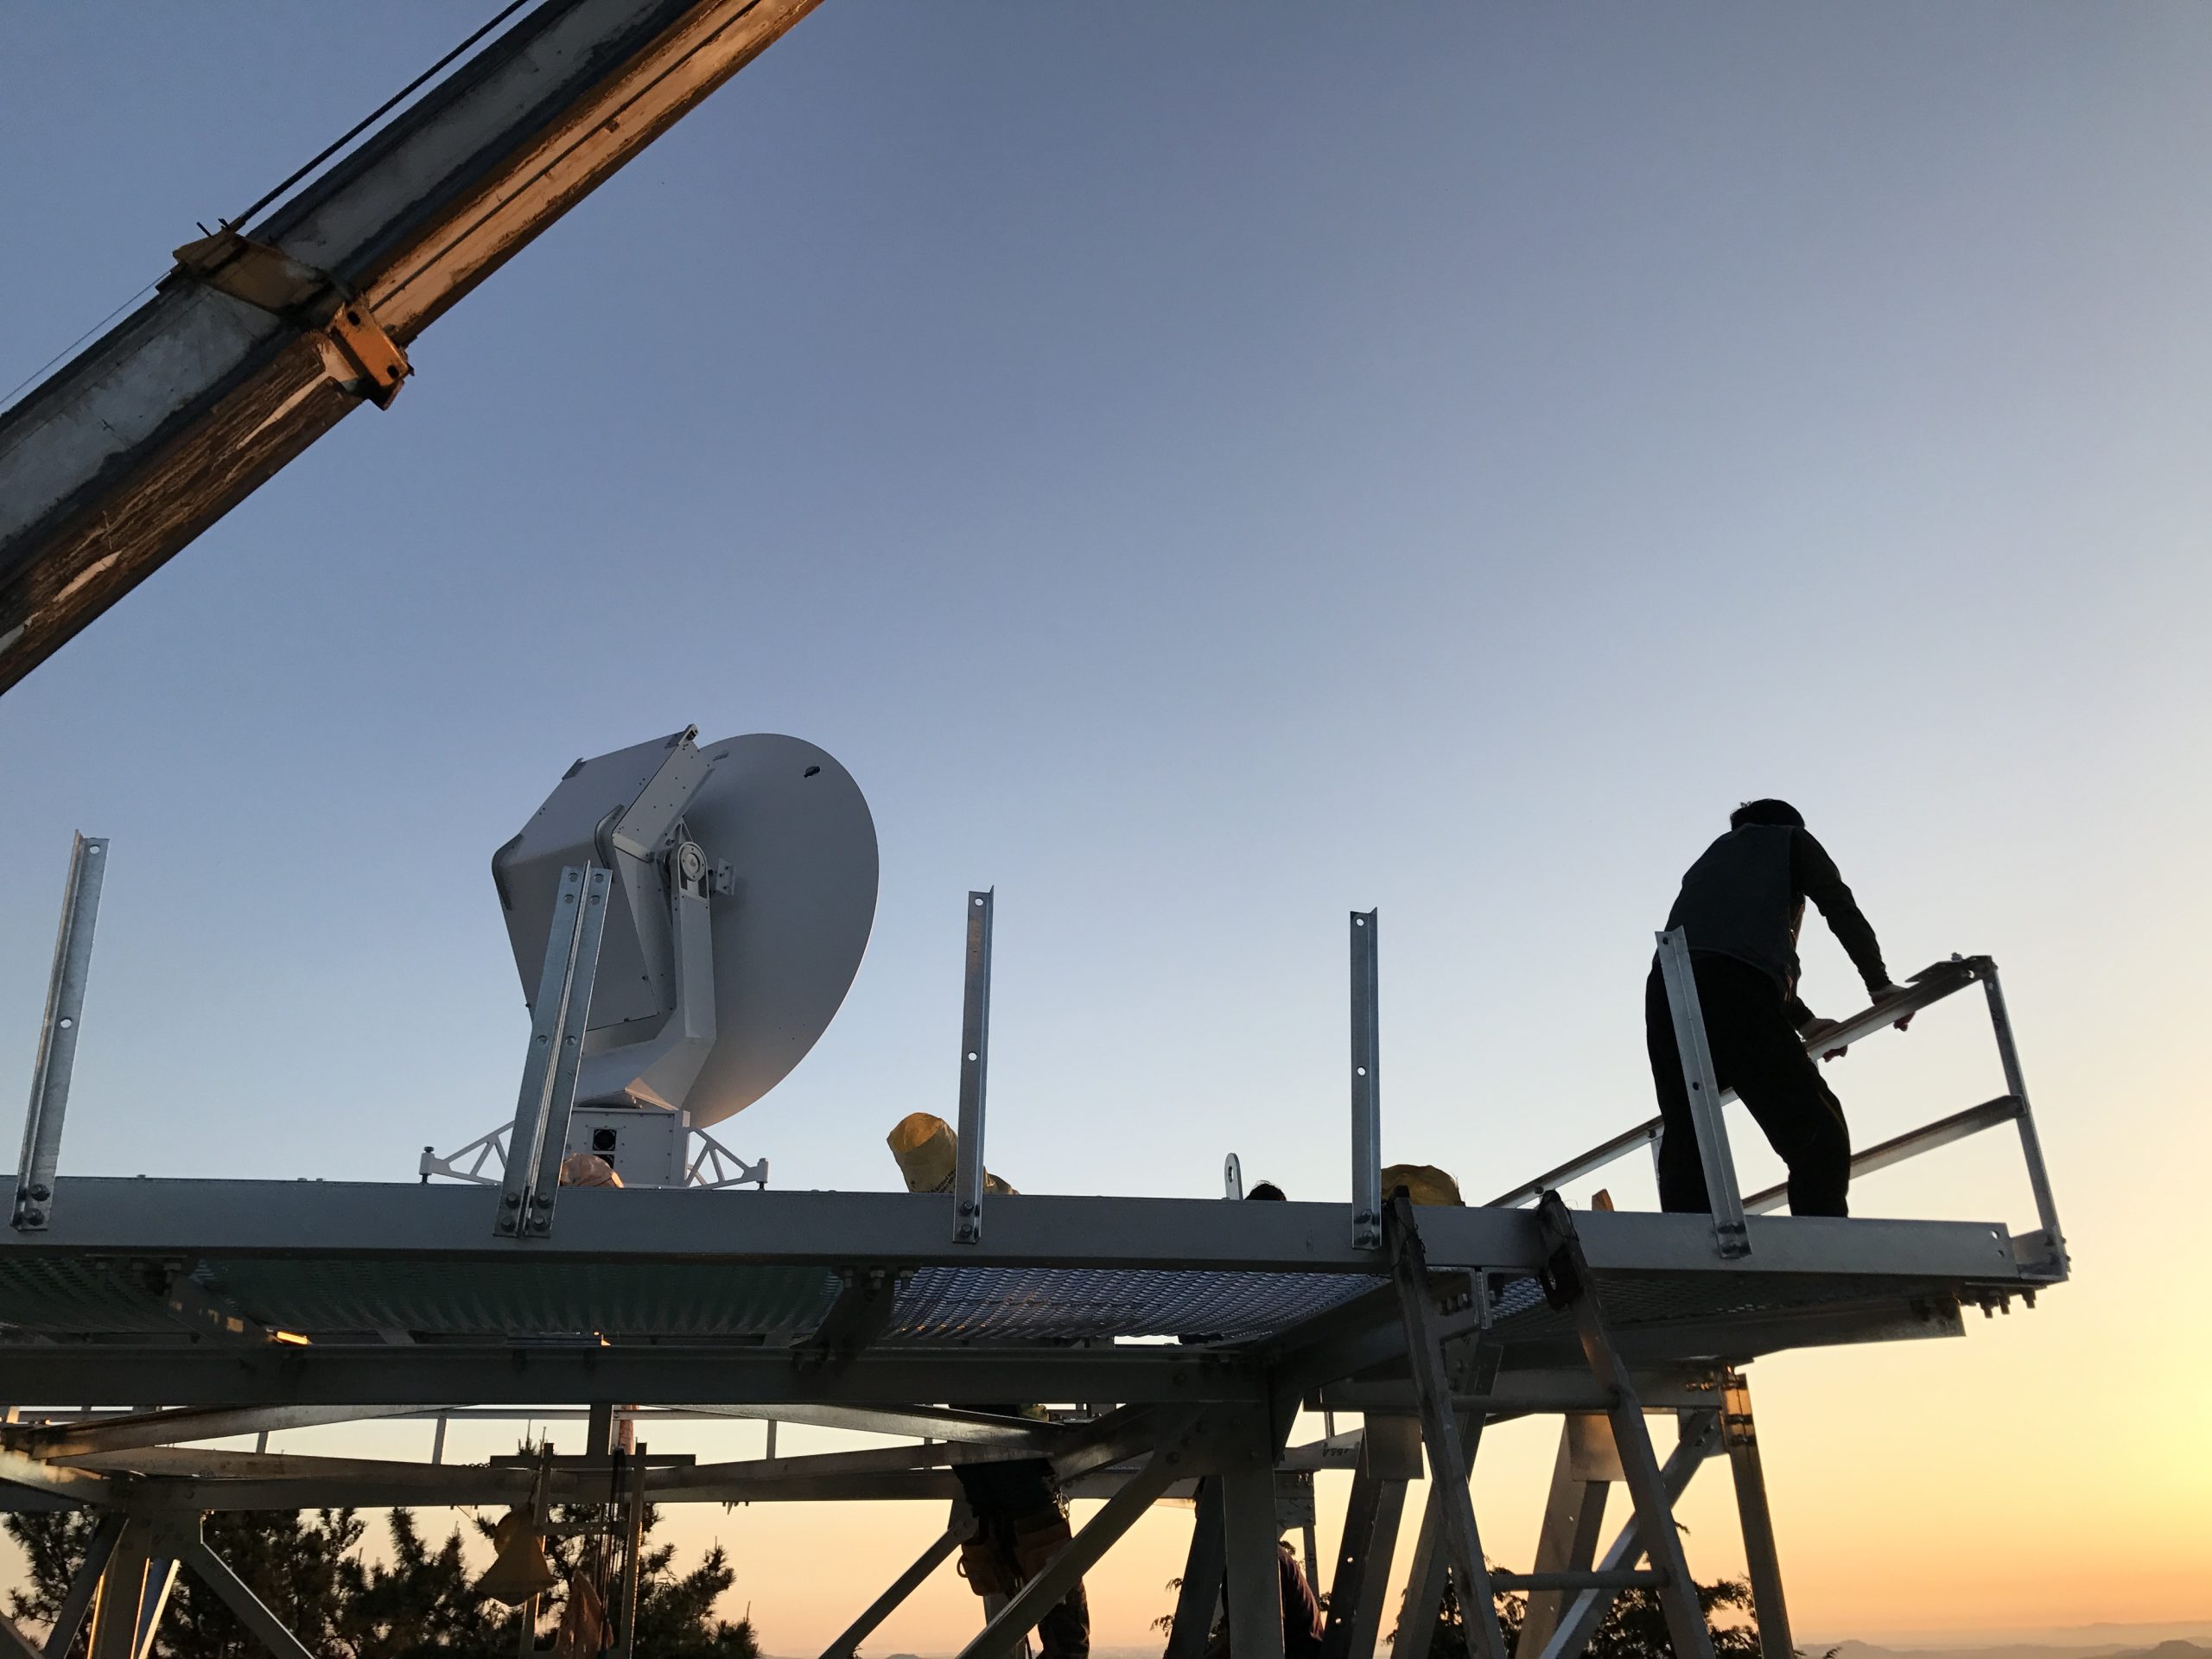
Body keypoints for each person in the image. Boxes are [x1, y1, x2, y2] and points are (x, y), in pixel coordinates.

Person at [1646, 798, 1910, 1218]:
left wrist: (1804, 1021)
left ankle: (1690, 1248)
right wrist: (1879, 984)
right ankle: (1822, 1253)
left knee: (1689, 1130)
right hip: (1734, 992)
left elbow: (1728, 951)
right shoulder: (1789, 839)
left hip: (1667, 992)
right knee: (1818, 1133)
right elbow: (1838, 906)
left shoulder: (1710, 864)